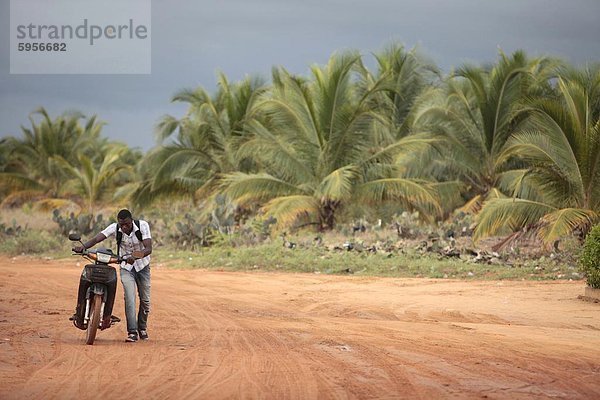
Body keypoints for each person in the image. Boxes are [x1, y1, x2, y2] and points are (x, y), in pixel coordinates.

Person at [72, 209, 153, 342]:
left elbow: (148, 248)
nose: (124, 227)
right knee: (130, 298)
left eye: (126, 224)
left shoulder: (142, 225)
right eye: (121, 224)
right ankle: (132, 332)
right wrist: (83, 247)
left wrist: (135, 256)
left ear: (131, 221)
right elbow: (97, 238)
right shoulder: (115, 228)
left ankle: (142, 328)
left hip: (143, 266)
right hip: (126, 267)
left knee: (145, 301)